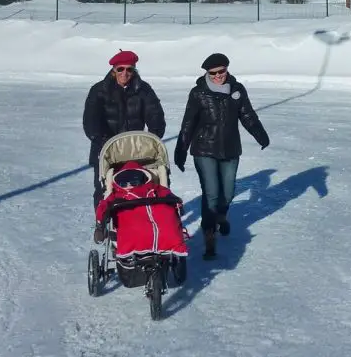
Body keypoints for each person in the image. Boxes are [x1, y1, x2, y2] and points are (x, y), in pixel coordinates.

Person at [174, 52, 269, 258]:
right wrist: (181, 151)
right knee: (212, 193)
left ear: (227, 69)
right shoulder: (198, 93)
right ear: (207, 73)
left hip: (230, 148)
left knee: (227, 192)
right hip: (204, 149)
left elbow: (247, 115)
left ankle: (220, 217)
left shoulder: (237, 89)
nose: (218, 76)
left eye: (222, 71)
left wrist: (260, 135)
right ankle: (209, 234)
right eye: (213, 73)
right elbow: (188, 124)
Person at [83, 49, 166, 225]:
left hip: (136, 150)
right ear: (113, 70)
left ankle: (141, 221)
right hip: (106, 150)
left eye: (129, 69)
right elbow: (91, 122)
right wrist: (105, 142)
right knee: (105, 187)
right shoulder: (99, 91)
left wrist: (152, 138)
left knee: (142, 185)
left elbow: (155, 115)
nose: (125, 73)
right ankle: (103, 223)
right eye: (120, 69)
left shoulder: (143, 90)